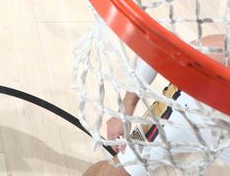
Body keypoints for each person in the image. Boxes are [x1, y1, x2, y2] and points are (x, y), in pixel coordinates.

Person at [83, 35, 230, 175]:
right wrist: (126, 108)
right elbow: (159, 46)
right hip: (191, 107)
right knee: (119, 171)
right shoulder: (218, 49)